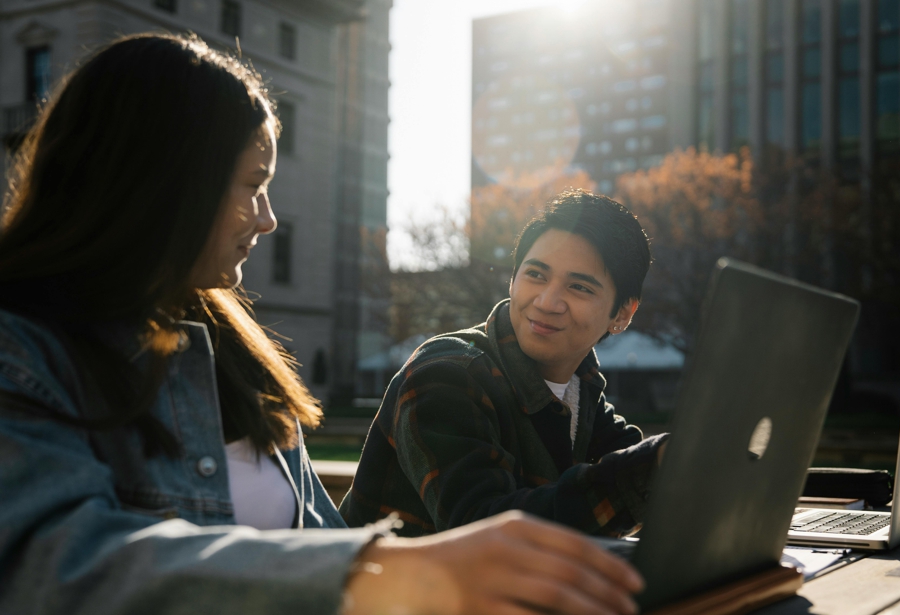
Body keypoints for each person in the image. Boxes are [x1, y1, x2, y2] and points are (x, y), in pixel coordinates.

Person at [0, 34, 645, 615]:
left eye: (580, 287)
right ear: (163, 183)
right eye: (254, 184)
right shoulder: (21, 349)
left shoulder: (228, 354)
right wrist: (379, 575)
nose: (268, 218)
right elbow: (49, 565)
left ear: (622, 315)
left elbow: (321, 536)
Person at [341, 190, 669, 538]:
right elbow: (481, 531)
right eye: (536, 275)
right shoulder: (447, 373)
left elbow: (642, 472)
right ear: (512, 279)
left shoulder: (579, 389)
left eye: (578, 287)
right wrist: (647, 470)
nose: (546, 302)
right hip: (385, 590)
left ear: (622, 313)